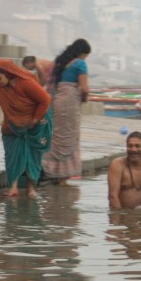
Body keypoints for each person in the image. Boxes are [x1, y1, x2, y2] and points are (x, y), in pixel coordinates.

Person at [0, 59, 52, 198]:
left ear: (8, 74)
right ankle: (13, 187)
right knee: (11, 155)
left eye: (0, 78)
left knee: (33, 156)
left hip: (35, 123)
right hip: (12, 125)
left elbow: (45, 100)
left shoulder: (26, 83)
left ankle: (31, 189)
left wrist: (35, 119)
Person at [41, 39, 91, 186]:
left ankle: (54, 172)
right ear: (82, 53)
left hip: (57, 99)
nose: (85, 58)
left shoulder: (61, 62)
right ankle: (63, 177)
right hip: (70, 101)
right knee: (70, 136)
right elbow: (85, 88)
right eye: (86, 55)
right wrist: (85, 98)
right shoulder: (80, 64)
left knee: (57, 135)